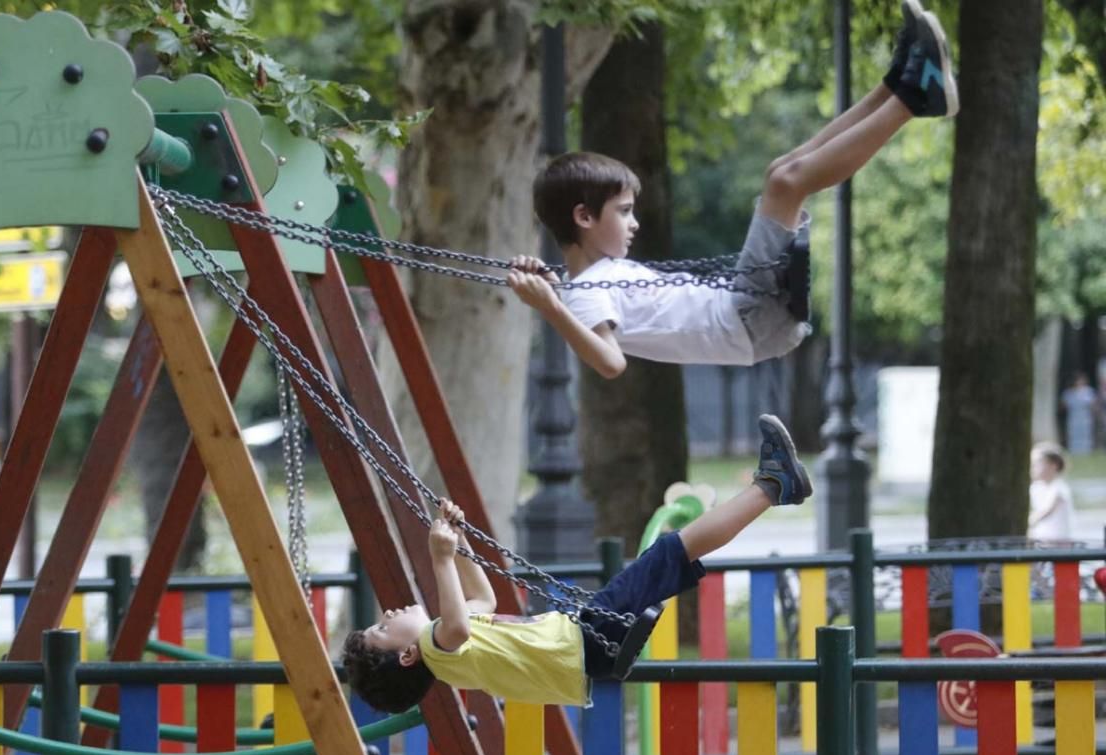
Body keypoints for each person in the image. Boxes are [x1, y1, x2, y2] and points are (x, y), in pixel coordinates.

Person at [506, 0, 958, 376]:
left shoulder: (579, 284)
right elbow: (610, 363)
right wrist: (552, 306)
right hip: (746, 320)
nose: (634, 222)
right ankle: (916, 97)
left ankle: (896, 83)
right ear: (583, 217)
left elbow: (568, 291)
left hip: (743, 308)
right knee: (785, 183)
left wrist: (545, 282)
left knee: (783, 170)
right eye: (623, 211)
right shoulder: (584, 295)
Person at [342, 414, 811, 713]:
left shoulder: (447, 655)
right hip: (583, 641)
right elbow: (461, 627)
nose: (386, 614)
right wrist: (441, 557)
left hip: (583, 644)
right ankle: (772, 485)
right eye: (381, 629)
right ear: (406, 655)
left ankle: (771, 485)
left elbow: (480, 599)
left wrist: (460, 546)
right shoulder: (440, 645)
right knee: (673, 550)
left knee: (670, 552)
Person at [1028, 443, 1075, 542]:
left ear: (1053, 466)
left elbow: (1047, 511)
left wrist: (1030, 521)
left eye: (1037, 464)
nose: (1033, 468)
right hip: (1041, 541)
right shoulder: (1036, 488)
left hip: (1059, 542)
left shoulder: (1059, 488)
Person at [1061, 372, 1097, 454]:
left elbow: (1093, 405)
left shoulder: (1089, 391)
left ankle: (1086, 451)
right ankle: (1074, 451)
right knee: (1073, 433)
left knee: (1086, 434)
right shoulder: (1069, 392)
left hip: (1085, 416)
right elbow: (1063, 405)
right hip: (1073, 416)